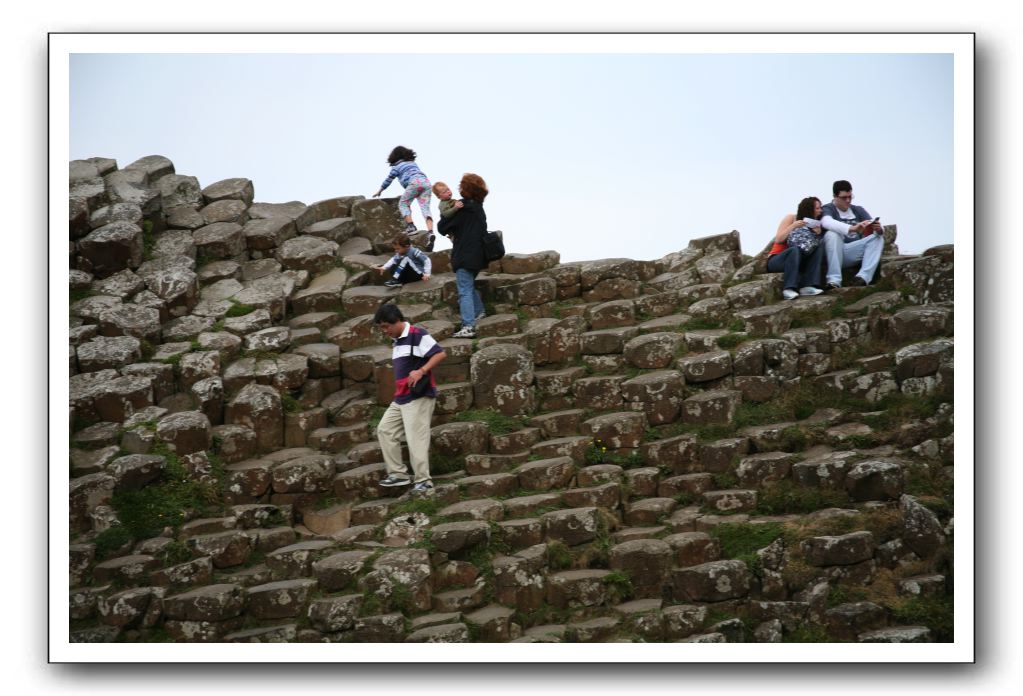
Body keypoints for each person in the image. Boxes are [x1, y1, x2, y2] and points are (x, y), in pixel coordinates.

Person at [374, 303, 446, 496]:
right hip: (401, 397)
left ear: (397, 321)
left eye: (386, 326)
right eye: (381, 327)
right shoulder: (397, 341)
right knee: (385, 429)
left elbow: (440, 353)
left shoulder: (417, 334)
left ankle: (424, 482)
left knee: (416, 438)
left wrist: (421, 371)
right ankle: (398, 475)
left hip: (418, 396)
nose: (384, 331)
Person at [438, 173, 489, 338]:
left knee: (464, 290)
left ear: (464, 189)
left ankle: (468, 326)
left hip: (464, 254)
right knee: (468, 285)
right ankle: (480, 311)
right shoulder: (479, 208)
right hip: (479, 256)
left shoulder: (462, 207)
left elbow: (441, 227)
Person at [820, 179, 885, 288]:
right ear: (835, 196)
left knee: (878, 238)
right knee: (832, 234)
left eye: (850, 197)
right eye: (844, 197)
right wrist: (852, 228)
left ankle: (863, 278)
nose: (848, 200)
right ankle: (834, 281)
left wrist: (878, 229)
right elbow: (826, 222)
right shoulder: (828, 208)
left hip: (851, 252)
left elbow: (873, 225)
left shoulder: (857, 210)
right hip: (833, 252)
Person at [372, 145, 435, 251]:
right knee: (425, 208)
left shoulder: (396, 167)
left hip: (414, 183)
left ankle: (411, 226)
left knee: (403, 203)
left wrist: (380, 190)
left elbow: (388, 180)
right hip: (426, 183)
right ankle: (430, 232)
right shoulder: (412, 163)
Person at [766, 196, 826, 300]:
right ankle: (788, 289)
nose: (820, 211)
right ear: (809, 209)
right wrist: (793, 226)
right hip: (778, 259)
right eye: (817, 208)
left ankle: (808, 286)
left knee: (819, 248)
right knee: (795, 250)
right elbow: (779, 239)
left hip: (800, 259)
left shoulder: (815, 224)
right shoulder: (791, 218)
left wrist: (818, 234)